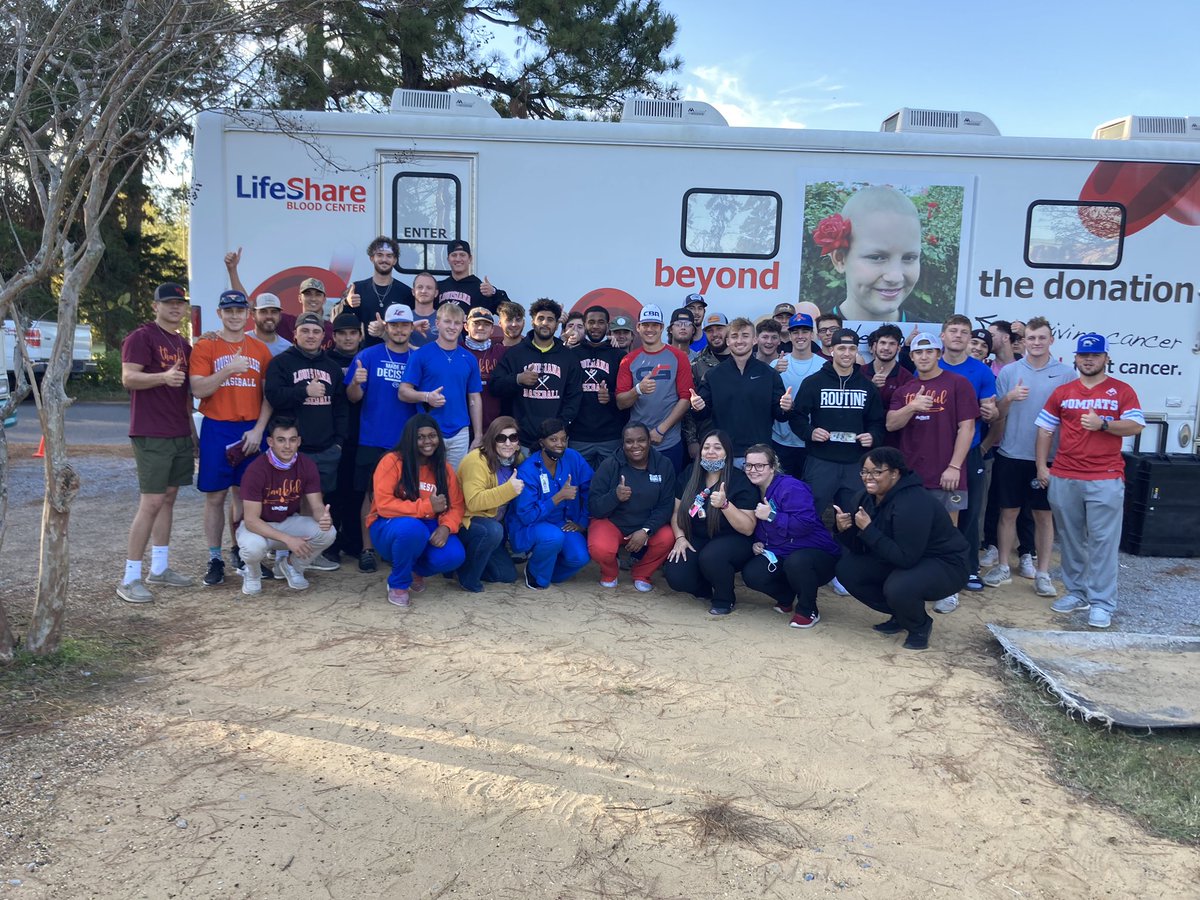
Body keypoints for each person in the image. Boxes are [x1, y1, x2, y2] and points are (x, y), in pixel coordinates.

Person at [1035, 333, 1145, 628]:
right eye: (1084, 355)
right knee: (1070, 539)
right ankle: (1077, 592)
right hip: (1065, 474)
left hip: (1105, 476)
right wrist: (1041, 467)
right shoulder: (1064, 391)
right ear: (1076, 358)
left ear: (1106, 358)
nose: (1088, 359)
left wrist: (1104, 424)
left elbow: (1135, 425)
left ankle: (1102, 603)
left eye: (1095, 355)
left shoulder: (1121, 391)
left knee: (1103, 541)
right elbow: (1045, 430)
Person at [834, 447, 969, 651]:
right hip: (905, 557)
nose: (868, 477)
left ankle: (919, 626)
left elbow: (906, 558)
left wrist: (869, 529)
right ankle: (902, 614)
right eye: (864, 472)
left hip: (946, 564)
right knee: (848, 569)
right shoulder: (863, 498)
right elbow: (860, 549)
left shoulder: (913, 502)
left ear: (895, 473)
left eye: (876, 472)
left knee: (899, 587)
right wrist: (844, 530)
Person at [117, 282, 198, 603]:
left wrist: (192, 432)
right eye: (169, 303)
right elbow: (128, 377)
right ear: (155, 306)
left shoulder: (182, 344)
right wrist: (162, 377)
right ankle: (129, 577)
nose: (175, 308)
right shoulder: (141, 337)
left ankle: (160, 568)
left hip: (178, 430)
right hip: (151, 431)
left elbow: (186, 393)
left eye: (180, 303)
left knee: (168, 499)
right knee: (150, 502)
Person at [885, 332, 978, 613]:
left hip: (946, 473)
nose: (924, 356)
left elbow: (967, 428)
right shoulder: (905, 390)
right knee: (912, 534)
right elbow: (890, 424)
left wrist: (954, 466)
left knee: (948, 534)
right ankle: (916, 584)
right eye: (918, 352)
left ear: (939, 354)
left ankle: (949, 590)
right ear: (911, 356)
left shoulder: (957, 384)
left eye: (930, 351)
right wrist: (912, 407)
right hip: (911, 477)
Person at [188, 290, 274, 587]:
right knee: (215, 496)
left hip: (250, 427)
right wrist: (228, 369)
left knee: (247, 496)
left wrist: (260, 429)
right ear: (219, 313)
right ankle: (214, 557)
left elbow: (268, 396)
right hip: (217, 426)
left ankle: (245, 553)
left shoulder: (259, 349)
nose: (235, 315)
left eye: (240, 310)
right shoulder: (206, 346)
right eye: (229, 311)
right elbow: (199, 389)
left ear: (248, 313)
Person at [982, 317, 1070, 598]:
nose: (1036, 343)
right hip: (1011, 452)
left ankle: (1043, 574)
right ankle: (1004, 566)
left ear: (1051, 341)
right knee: (1008, 513)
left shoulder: (1066, 374)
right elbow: (996, 414)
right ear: (1024, 341)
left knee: (1044, 516)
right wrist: (1008, 398)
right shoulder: (1010, 371)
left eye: (1041, 338)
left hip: (1049, 458)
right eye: (1031, 338)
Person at [345, 303, 419, 574]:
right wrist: (355, 383)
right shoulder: (368, 355)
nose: (399, 330)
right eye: (394, 325)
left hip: (408, 441)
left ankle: (391, 547)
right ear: (386, 327)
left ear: (412, 327)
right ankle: (367, 549)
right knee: (370, 494)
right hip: (373, 438)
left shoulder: (419, 357)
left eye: (404, 325)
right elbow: (353, 398)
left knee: (406, 494)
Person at [366, 414, 466, 607]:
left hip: (427, 524)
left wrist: (446, 527)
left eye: (432, 436)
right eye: (420, 437)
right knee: (412, 529)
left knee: (454, 555)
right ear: (410, 438)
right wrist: (427, 506)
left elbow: (457, 506)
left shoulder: (443, 469)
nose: (427, 442)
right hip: (388, 525)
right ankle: (398, 585)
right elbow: (384, 504)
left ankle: (414, 571)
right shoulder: (392, 461)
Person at [740, 444, 841, 628]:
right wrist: (759, 541)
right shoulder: (753, 489)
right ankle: (786, 596)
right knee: (752, 574)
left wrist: (772, 515)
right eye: (749, 465)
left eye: (760, 465)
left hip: (815, 554)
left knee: (797, 562)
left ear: (772, 467)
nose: (753, 470)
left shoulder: (791, 487)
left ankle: (808, 609)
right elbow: (761, 527)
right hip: (781, 551)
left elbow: (806, 524)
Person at [789, 327, 885, 516]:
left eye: (851, 349)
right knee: (809, 514)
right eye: (841, 348)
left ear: (857, 351)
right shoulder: (813, 382)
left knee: (853, 516)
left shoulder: (867, 386)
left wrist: (873, 436)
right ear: (832, 350)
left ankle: (848, 547)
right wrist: (810, 432)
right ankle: (809, 546)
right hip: (821, 462)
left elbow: (877, 422)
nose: (847, 354)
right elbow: (796, 417)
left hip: (855, 464)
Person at [236, 415, 337, 595]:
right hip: (258, 526)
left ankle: (291, 566)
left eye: (292, 440)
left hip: (287, 521)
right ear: (270, 441)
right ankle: (252, 573)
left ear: (299, 441)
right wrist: (288, 539)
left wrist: (323, 518)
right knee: (252, 549)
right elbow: (251, 520)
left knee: (328, 532)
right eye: (281, 440)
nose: (287, 446)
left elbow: (316, 506)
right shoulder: (256, 469)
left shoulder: (306, 464)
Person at [663, 429, 757, 615]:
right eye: (706, 447)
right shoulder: (690, 473)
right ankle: (705, 588)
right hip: (699, 536)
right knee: (676, 575)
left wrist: (725, 505)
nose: (710, 451)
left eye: (717, 447)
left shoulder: (740, 481)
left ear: (727, 453)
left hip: (733, 539)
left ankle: (724, 598)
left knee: (712, 556)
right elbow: (676, 512)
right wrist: (680, 538)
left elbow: (748, 528)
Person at [939, 314, 998, 592]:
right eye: (953, 330)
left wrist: (992, 411)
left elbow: (990, 409)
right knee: (935, 511)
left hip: (970, 450)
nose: (958, 336)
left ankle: (969, 569)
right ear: (943, 335)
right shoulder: (928, 364)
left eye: (964, 332)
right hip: (935, 451)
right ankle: (936, 566)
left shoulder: (982, 372)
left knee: (969, 512)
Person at [264, 312, 348, 496]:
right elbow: (273, 396)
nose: (311, 335)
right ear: (295, 333)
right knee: (289, 501)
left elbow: (341, 408)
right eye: (305, 330)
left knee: (321, 502)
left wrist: (338, 443)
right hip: (291, 449)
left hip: (326, 450)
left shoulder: (332, 367)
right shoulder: (280, 363)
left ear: (322, 335)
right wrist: (305, 392)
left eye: (316, 331)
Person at [812, 186, 922, 324]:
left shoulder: (930, 338)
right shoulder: (813, 337)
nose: (895, 276)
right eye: (877, 258)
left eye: (909, 258)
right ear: (839, 259)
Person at [587, 423, 677, 591]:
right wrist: (614, 496)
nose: (635, 446)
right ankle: (610, 571)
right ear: (622, 444)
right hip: (612, 523)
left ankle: (642, 573)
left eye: (641, 440)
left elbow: (666, 506)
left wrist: (646, 530)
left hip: (645, 524)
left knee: (667, 537)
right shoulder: (609, 465)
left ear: (650, 441)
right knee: (599, 547)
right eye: (629, 442)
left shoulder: (664, 465)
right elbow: (594, 508)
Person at [689, 316, 791, 462]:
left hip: (760, 454)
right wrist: (697, 407)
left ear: (754, 340)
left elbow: (780, 415)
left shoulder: (769, 374)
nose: (740, 341)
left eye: (745, 335)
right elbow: (702, 415)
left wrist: (786, 407)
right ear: (728, 341)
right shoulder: (713, 376)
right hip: (725, 453)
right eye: (734, 336)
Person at [489, 297, 583, 453]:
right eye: (541, 318)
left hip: (554, 441)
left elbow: (574, 397)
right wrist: (518, 379)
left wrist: (559, 427)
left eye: (550, 319)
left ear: (557, 324)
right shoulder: (515, 354)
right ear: (532, 322)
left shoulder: (568, 357)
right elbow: (494, 386)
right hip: (521, 441)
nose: (545, 323)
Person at [509, 418, 592, 590]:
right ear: (541, 442)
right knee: (553, 537)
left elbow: (590, 489)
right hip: (531, 525)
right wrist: (558, 497)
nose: (560, 444)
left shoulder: (573, 457)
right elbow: (526, 515)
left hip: (564, 522)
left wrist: (583, 522)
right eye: (553, 439)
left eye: (563, 439)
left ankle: (549, 569)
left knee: (580, 557)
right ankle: (535, 574)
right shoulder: (528, 470)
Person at [398, 303, 483, 470]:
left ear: (463, 327)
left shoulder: (469, 358)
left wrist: (478, 434)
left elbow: (474, 398)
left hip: (460, 432)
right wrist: (427, 397)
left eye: (457, 323)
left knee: (455, 484)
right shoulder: (421, 354)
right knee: (427, 482)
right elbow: (403, 392)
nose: (452, 327)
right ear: (437, 324)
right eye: (447, 322)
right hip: (428, 431)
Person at [616, 305, 694, 472]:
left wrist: (661, 430)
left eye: (655, 325)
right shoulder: (628, 360)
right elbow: (621, 402)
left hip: (670, 441)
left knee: (669, 494)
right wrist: (638, 389)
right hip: (638, 445)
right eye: (645, 325)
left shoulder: (679, 357)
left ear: (662, 327)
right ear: (638, 328)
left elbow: (685, 399)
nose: (650, 329)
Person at [456, 416, 525, 593]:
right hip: (467, 522)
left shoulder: (517, 460)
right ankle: (467, 578)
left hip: (493, 527)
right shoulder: (476, 460)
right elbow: (473, 501)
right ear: (491, 439)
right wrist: (509, 489)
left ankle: (459, 564)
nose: (508, 443)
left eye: (513, 438)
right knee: (493, 530)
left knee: (507, 575)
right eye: (501, 438)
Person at [223, 249, 334, 347]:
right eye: (308, 294)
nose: (313, 299)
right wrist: (232, 270)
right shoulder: (286, 322)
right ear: (300, 298)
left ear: (324, 299)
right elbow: (247, 304)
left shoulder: (331, 329)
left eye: (318, 294)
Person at [325, 313, 366, 566]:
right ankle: (330, 543)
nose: (348, 338)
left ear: (360, 335)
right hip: (332, 434)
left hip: (363, 433)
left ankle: (353, 541)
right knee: (333, 492)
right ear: (334, 336)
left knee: (356, 491)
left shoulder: (369, 357)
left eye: (352, 332)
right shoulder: (326, 360)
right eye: (342, 333)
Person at [569, 305, 628, 471]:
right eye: (591, 322)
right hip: (578, 436)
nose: (595, 326)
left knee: (608, 486)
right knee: (578, 487)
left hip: (610, 437)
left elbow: (626, 395)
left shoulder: (619, 355)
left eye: (601, 322)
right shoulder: (571, 354)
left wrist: (610, 396)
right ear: (585, 324)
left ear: (608, 326)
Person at [771, 312, 825, 476]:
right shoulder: (777, 364)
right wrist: (773, 372)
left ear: (812, 334)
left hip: (811, 441)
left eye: (804, 331)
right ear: (790, 335)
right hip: (780, 441)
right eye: (795, 332)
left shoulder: (824, 365)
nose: (800, 336)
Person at [345, 236, 414, 346]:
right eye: (379, 255)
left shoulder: (405, 292)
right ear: (372, 258)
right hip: (364, 353)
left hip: (396, 353)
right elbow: (336, 319)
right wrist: (346, 302)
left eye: (389, 256)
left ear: (395, 260)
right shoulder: (357, 289)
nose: (384, 260)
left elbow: (410, 325)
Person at [861, 323, 913, 441]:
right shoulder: (860, 373)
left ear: (898, 348)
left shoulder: (907, 378)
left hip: (894, 441)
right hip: (863, 439)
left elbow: (905, 414)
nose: (886, 348)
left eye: (892, 344)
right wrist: (871, 386)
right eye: (883, 343)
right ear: (875, 346)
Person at [464, 307, 508, 432]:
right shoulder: (457, 351)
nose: (481, 328)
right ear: (466, 326)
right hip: (464, 427)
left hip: (494, 425)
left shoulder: (501, 351)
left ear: (492, 330)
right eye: (476, 323)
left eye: (486, 325)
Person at [437, 239, 509, 314]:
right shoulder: (439, 288)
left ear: (470, 259)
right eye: (454, 255)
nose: (458, 259)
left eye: (462, 255)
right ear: (448, 260)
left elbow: (510, 313)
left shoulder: (481, 289)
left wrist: (494, 293)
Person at [245, 293, 292, 357]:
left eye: (274, 312)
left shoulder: (287, 348)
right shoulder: (242, 341)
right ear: (253, 315)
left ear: (280, 316)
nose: (269, 316)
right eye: (263, 312)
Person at [409, 271, 439, 346]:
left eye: (429, 288)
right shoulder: (404, 317)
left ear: (436, 293)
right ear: (413, 291)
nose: (424, 291)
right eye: (420, 287)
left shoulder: (444, 319)